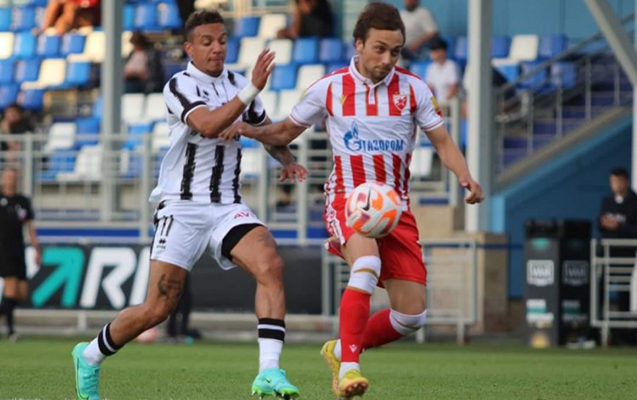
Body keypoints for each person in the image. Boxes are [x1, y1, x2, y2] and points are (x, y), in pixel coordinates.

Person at [221, 2, 484, 398]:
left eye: (395, 51)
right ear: (358, 44)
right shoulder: (329, 88)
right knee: (366, 264)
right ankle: (349, 370)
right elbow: (285, 132)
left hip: (394, 208)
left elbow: (443, 142)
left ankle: (343, 349)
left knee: (411, 316)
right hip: (350, 197)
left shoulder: (414, 89)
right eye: (379, 49)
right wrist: (246, 128)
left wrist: (465, 176)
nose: (387, 59)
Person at [71, 10, 305, 400]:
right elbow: (210, 125)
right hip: (181, 207)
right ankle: (90, 355)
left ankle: (269, 371)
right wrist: (252, 90)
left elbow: (264, 131)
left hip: (226, 206)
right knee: (157, 308)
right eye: (207, 42)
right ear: (189, 48)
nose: (217, 48)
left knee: (269, 262)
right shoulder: (180, 85)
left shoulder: (238, 84)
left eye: (222, 40)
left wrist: (287, 159)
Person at [0, 168, 41, 341]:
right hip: (3, 250)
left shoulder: (23, 201)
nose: (10, 180)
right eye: (7, 177)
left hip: (19, 250)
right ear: (3, 179)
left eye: (13, 177)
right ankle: (11, 331)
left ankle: (6, 319)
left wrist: (36, 249)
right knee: (11, 289)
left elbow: (30, 226)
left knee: (22, 293)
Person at [599, 167, 637, 345]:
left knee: (623, 290)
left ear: (625, 181)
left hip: (626, 253)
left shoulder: (634, 202)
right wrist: (604, 223)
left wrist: (619, 226)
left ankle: (625, 334)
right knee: (600, 288)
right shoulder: (607, 201)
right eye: (613, 181)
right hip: (608, 252)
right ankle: (598, 329)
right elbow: (600, 223)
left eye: (619, 181)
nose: (616, 185)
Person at [425, 37, 460, 106]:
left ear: (443, 52)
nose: (432, 53)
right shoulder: (431, 68)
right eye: (431, 51)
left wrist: (441, 107)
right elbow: (430, 90)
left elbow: (453, 90)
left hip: (454, 105)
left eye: (434, 50)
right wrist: (435, 106)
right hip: (439, 105)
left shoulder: (452, 66)